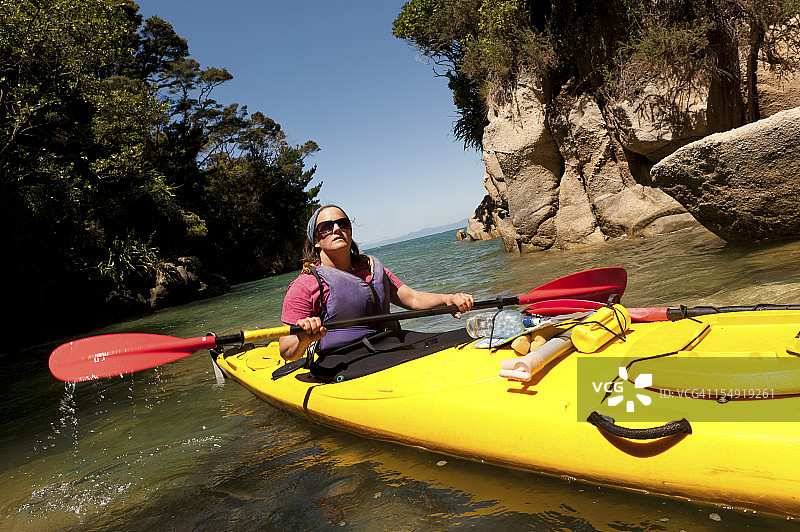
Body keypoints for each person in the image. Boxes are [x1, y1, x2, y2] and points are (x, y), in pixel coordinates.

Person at [279, 205, 474, 361]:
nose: (336, 229)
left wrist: (448, 298)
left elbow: (412, 298)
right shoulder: (305, 285)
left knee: (465, 337)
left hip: (390, 341)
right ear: (316, 240)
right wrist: (303, 338)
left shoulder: (371, 268)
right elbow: (287, 351)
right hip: (345, 357)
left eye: (342, 223)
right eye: (326, 227)